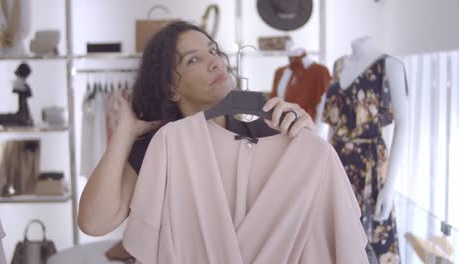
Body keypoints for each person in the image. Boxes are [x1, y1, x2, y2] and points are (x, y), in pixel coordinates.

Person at [78, 21, 315, 236]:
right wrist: (124, 133)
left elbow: (307, 206)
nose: (215, 62)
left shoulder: (264, 134)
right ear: (171, 89)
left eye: (213, 51)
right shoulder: (158, 148)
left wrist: (306, 139)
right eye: (193, 59)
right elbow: (93, 222)